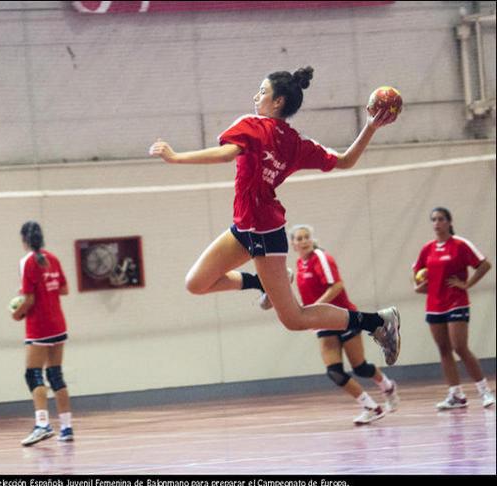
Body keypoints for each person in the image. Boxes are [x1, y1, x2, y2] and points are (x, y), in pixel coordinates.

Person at [149, 66, 401, 365]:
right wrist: (369, 127)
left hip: (267, 233)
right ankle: (260, 283)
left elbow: (226, 154)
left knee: (294, 319)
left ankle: (377, 322)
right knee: (196, 283)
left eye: (263, 91)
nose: (257, 96)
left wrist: (176, 157)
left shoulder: (268, 132)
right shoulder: (295, 142)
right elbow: (346, 161)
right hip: (244, 227)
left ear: (278, 101)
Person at [291, 225, 399, 424]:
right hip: (323, 323)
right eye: (299, 238)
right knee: (334, 372)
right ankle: (371, 407)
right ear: (293, 244)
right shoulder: (299, 265)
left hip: (342, 318)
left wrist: (315, 307)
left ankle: (387, 386)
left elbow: (337, 285)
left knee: (360, 368)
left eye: (307, 237)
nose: (304, 241)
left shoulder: (321, 258)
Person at [412, 207, 494, 410]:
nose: (437, 223)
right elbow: (417, 273)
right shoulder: (427, 248)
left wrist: (467, 284)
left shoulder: (460, 245)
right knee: (443, 349)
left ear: (449, 222)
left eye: (441, 219)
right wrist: (419, 287)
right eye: (433, 220)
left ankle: (484, 390)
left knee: (460, 347)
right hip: (434, 305)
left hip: (456, 302)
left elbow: (484, 265)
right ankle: (456, 394)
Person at [12, 221, 74, 446]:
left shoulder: (27, 261)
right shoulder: (53, 258)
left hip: (39, 325)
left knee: (33, 374)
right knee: (56, 374)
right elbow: (65, 289)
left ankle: (42, 424)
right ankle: (66, 428)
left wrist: (17, 313)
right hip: (58, 323)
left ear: (24, 240)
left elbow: (29, 299)